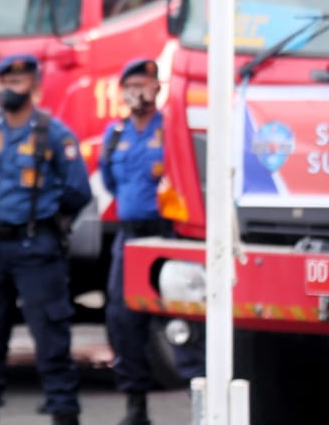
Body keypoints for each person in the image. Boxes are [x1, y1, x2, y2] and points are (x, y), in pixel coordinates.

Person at [0, 54, 93, 425]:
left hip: (36, 249)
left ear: (33, 86)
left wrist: (48, 219)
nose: (8, 90)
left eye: (17, 82)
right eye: (4, 83)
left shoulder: (53, 133)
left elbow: (78, 191)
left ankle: (63, 411)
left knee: (50, 337)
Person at [100, 58, 202, 425]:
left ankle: (201, 402)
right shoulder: (115, 134)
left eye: (143, 85)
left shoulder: (171, 129)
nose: (136, 92)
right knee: (122, 321)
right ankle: (135, 406)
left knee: (183, 317)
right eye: (130, 86)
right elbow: (110, 182)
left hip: (167, 234)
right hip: (129, 238)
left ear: (157, 88)